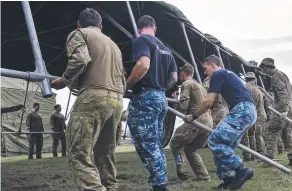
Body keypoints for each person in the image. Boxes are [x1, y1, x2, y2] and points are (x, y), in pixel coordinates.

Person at [51, 8, 125, 191]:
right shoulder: (113, 44)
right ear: (101, 26)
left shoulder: (79, 34)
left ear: (79, 24)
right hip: (116, 101)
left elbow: (81, 60)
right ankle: (111, 187)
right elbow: (122, 77)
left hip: (93, 98)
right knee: (105, 152)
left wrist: (65, 80)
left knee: (79, 152)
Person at [184, 55, 256, 190]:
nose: (205, 72)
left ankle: (241, 170)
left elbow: (208, 102)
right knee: (223, 148)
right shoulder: (229, 74)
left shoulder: (218, 74)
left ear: (212, 64)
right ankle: (229, 180)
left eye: (205, 69)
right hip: (248, 111)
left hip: (242, 110)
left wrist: (192, 116)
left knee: (215, 141)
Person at [126, 15, 177, 191]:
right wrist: (160, 88)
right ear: (154, 29)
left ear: (139, 28)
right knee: (155, 143)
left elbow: (143, 65)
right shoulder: (166, 50)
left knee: (144, 143)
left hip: (144, 97)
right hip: (161, 98)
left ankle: (160, 185)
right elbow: (174, 78)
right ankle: (161, 182)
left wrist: (127, 85)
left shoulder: (141, 40)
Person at [170, 64, 212, 182]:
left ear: (183, 73)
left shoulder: (187, 84)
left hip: (197, 120)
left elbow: (183, 108)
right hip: (208, 121)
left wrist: (175, 100)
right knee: (190, 149)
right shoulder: (200, 86)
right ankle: (204, 177)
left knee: (175, 144)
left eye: (180, 74)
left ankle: (184, 175)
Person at [259, 58, 292, 167]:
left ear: (267, 66)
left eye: (263, 68)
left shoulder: (275, 77)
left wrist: (284, 109)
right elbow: (290, 89)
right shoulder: (282, 74)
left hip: (283, 106)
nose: (263, 71)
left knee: (272, 131)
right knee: (287, 132)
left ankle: (268, 160)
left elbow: (282, 93)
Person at [241, 72, 267, 161]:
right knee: (255, 135)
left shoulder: (247, 88)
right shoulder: (258, 89)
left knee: (253, 135)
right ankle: (256, 155)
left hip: (254, 114)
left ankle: (258, 156)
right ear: (254, 79)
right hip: (260, 114)